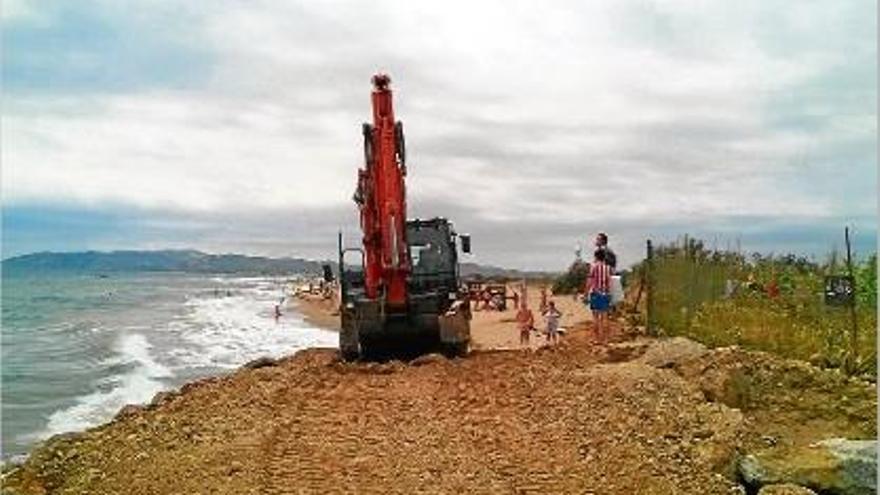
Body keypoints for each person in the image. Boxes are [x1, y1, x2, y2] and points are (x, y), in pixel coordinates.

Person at [586, 249, 612, 344]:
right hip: (605, 293)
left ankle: (597, 339)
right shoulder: (607, 268)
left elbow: (589, 281)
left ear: (596, 256)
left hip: (595, 293)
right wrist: (609, 293)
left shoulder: (593, 267)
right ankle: (606, 339)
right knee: (605, 317)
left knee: (596, 317)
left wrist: (585, 293)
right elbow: (609, 282)